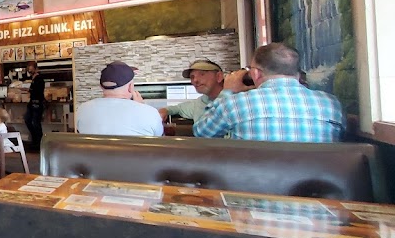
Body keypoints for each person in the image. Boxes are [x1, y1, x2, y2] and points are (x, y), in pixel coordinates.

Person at [193, 43, 344, 142]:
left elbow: (201, 133)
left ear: (256, 73)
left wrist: (227, 91)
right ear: (297, 73)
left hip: (251, 182)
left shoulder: (234, 103)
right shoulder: (331, 104)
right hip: (315, 182)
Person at [76, 61, 163, 136]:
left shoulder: (82, 109)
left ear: (101, 87)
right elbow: (159, 140)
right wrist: (141, 107)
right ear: (130, 87)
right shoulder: (150, 113)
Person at [158, 59, 226, 122]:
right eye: (192, 77)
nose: (195, 80)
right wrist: (165, 110)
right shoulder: (200, 103)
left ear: (219, 77)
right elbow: (178, 108)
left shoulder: (231, 101)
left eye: (202, 74)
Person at [24, 61, 45, 150]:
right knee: (28, 120)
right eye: (29, 69)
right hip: (32, 102)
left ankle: (39, 142)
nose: (29, 71)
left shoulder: (39, 79)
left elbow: (38, 91)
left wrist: (29, 90)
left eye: (31, 69)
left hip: (37, 103)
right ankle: (35, 140)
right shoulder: (34, 79)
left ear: (36, 69)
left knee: (35, 123)